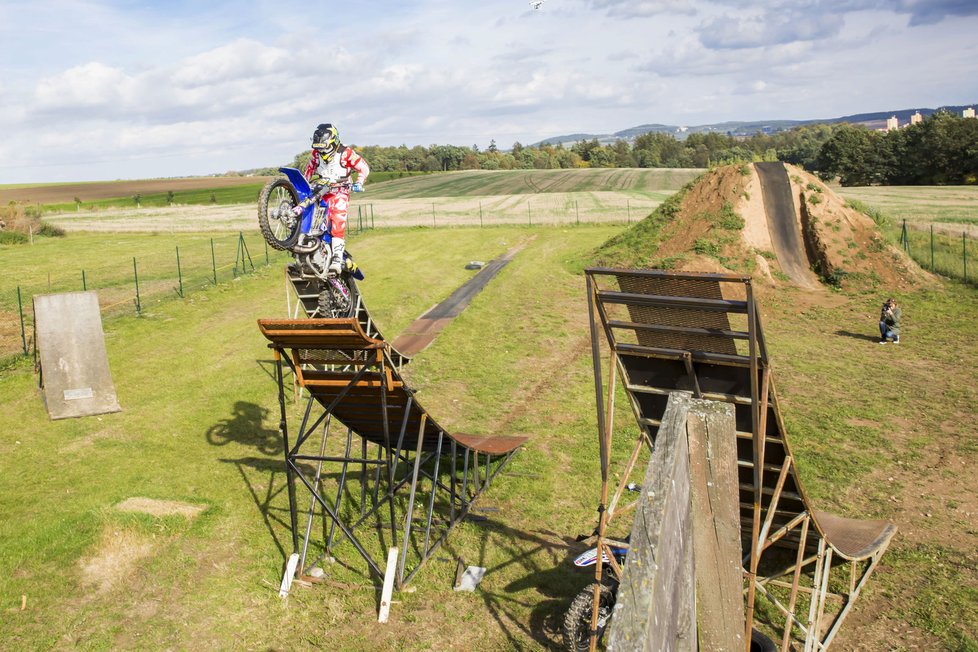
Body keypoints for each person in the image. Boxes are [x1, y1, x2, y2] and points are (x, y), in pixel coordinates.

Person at [292, 123, 369, 274]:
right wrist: (303, 186)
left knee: (337, 217)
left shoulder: (346, 153)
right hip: (321, 189)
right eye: (318, 147)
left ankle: (337, 258)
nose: (321, 151)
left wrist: (359, 182)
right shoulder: (316, 154)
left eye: (323, 147)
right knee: (310, 216)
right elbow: (308, 171)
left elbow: (364, 168)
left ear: (333, 142)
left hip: (340, 190)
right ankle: (304, 251)